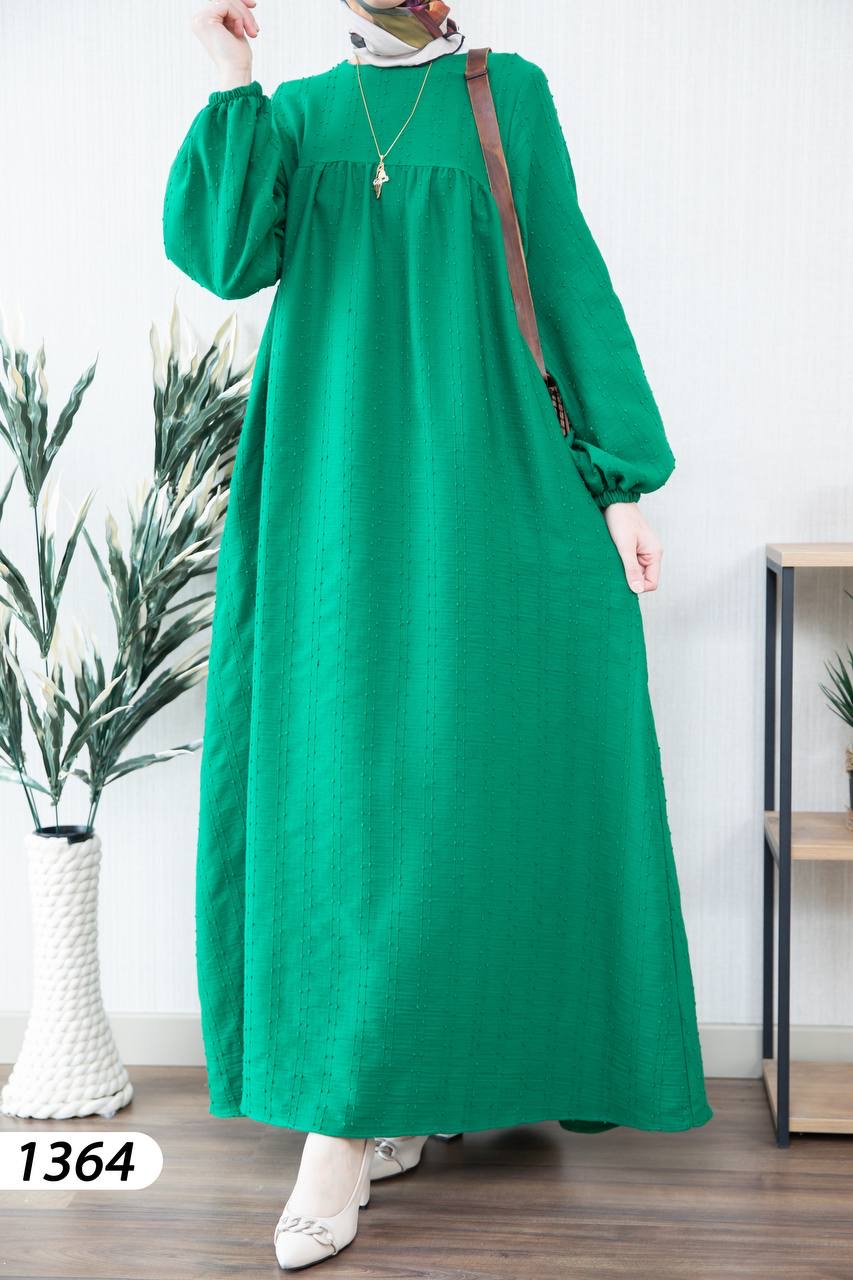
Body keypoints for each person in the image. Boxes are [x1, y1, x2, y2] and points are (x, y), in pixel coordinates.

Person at [162, 0, 713, 1270]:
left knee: (467, 790)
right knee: (343, 798)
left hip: (491, 487)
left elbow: (565, 277)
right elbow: (223, 256)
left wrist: (621, 483)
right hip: (332, 494)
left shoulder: (506, 94)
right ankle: (344, 1117)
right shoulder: (291, 115)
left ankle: (389, 1095)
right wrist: (229, 74)